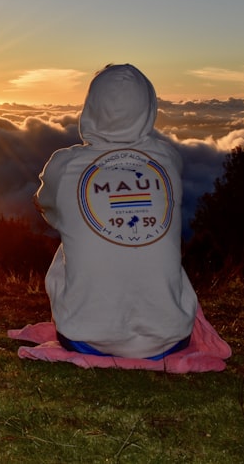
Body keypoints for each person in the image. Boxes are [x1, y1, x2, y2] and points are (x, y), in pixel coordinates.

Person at [35, 64, 198, 359]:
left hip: (84, 339)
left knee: (70, 240)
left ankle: (92, 319)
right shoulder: (168, 159)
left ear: (91, 106)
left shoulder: (64, 164)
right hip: (173, 337)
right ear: (149, 106)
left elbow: (47, 210)